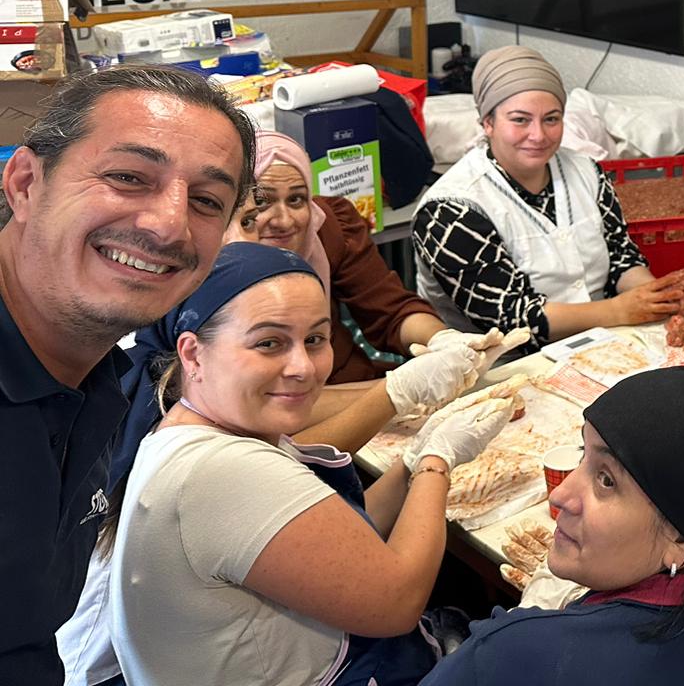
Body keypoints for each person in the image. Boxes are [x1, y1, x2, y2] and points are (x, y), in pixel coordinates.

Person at [59, 249, 486, 686]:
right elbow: (396, 602)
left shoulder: (191, 427)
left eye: (315, 340)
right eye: (269, 343)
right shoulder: (224, 472)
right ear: (193, 355)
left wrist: (408, 466)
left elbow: (337, 551)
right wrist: (436, 463)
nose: (303, 367)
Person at [0, 65, 255, 685]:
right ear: (26, 183)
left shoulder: (94, 382)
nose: (168, 225)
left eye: (206, 201)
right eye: (127, 177)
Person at [420, 362, 684, 686]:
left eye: (606, 480)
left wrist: (535, 629)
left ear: (682, 538)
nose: (560, 496)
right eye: (583, 455)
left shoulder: (511, 654)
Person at [413, 45, 684, 343]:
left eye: (551, 119)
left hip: (604, 340)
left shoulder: (586, 171)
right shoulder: (450, 209)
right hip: (502, 361)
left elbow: (621, 257)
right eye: (520, 120)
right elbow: (510, 318)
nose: (538, 135)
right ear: (488, 123)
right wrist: (619, 311)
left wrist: (655, 298)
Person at [233, 129, 452, 382]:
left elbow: (389, 309)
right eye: (262, 202)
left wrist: (443, 341)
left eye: (296, 200)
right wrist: (394, 394)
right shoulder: (207, 265)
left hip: (347, 379)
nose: (284, 221)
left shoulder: (327, 227)